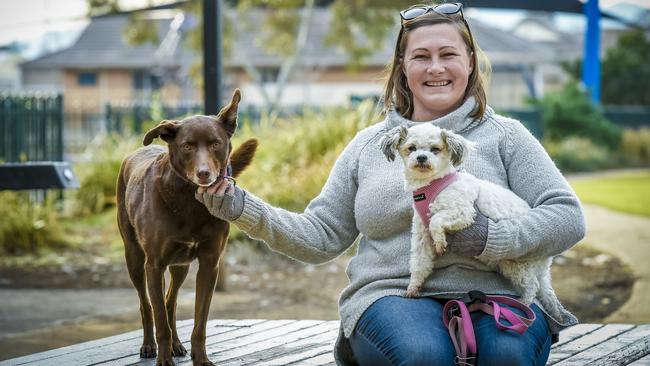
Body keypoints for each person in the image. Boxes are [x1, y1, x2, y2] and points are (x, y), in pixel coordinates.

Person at [196, 2, 585, 365]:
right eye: (421, 56)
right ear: (402, 66)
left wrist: (492, 238)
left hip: (498, 292)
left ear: (470, 62)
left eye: (448, 54)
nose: (436, 68)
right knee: (423, 355)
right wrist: (242, 207)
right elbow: (321, 236)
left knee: (505, 356)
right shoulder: (368, 146)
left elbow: (567, 217)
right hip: (393, 295)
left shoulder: (506, 136)